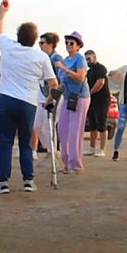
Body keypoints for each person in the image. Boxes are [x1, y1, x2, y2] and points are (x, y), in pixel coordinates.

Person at [0, 1, 58, 194]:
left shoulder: (8, 46)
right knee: (25, 142)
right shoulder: (41, 57)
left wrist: (2, 14)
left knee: (5, 141)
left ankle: (3, 182)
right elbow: (53, 84)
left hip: (7, 99)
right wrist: (49, 100)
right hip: (28, 103)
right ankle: (28, 180)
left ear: (18, 36)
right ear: (35, 39)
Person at [54, 31, 91, 175]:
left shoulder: (79, 59)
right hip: (67, 97)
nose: (69, 45)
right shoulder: (65, 59)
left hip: (80, 97)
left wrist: (64, 68)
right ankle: (66, 161)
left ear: (78, 46)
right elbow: (62, 82)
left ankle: (75, 165)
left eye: (72, 43)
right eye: (67, 43)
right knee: (62, 129)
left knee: (75, 131)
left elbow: (80, 77)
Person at [32, 32, 64, 163]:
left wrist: (53, 96)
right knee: (37, 125)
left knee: (49, 125)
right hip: (42, 96)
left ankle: (52, 154)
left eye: (42, 43)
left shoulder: (56, 58)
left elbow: (60, 80)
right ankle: (51, 151)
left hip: (54, 96)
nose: (40, 45)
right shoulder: (43, 57)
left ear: (50, 44)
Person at [83, 50, 111, 157]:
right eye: (86, 59)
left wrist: (89, 93)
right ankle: (92, 147)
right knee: (92, 124)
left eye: (89, 58)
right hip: (92, 100)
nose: (88, 61)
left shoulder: (100, 68)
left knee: (101, 124)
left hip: (102, 100)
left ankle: (101, 149)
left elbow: (100, 83)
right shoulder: (89, 72)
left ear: (94, 57)